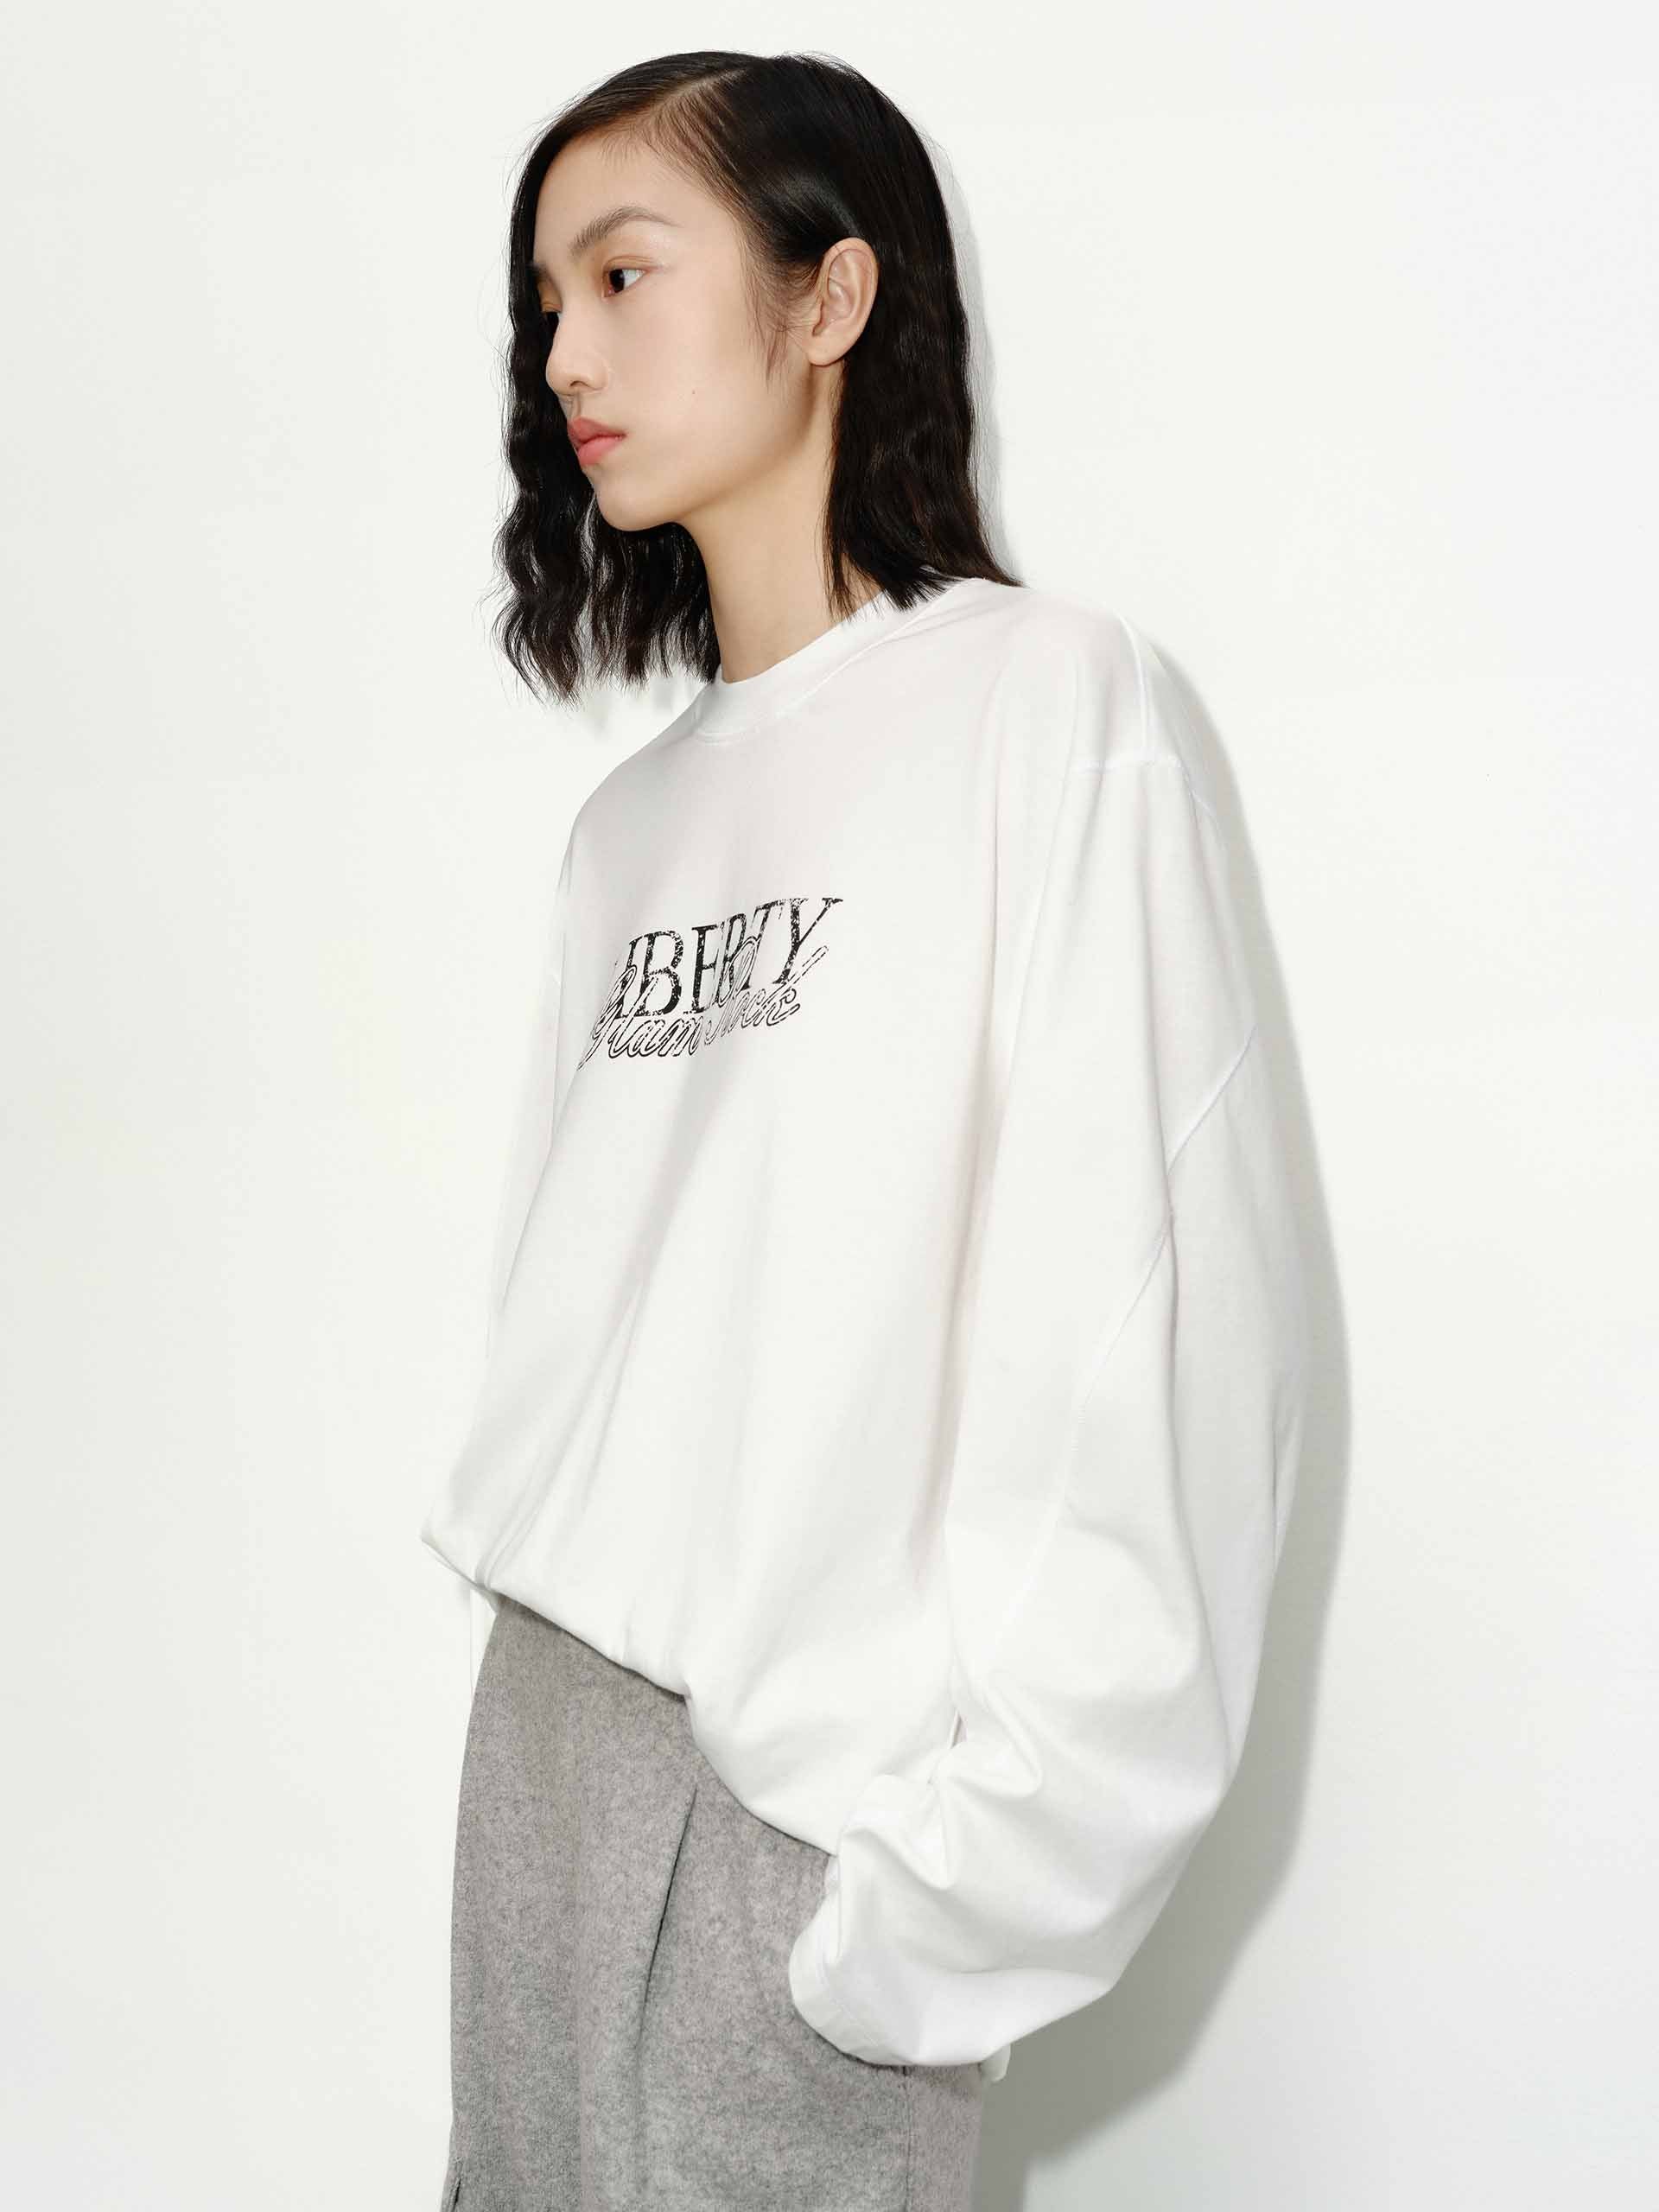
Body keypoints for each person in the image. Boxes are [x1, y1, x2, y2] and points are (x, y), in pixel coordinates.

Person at [419, 46, 1311, 2212]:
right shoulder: (627, 833)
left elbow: (1162, 1330)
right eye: (546, 305)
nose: (568, 356)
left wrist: (915, 1927)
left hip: (794, 1829)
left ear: (830, 296)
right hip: (544, 1758)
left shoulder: (1049, 706)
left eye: (625, 275)